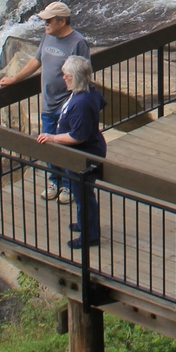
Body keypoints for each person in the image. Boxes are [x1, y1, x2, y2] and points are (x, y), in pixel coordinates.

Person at [0, 1, 89, 203]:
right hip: (48, 104)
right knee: (48, 144)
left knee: (65, 146)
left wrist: (76, 102)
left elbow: (83, 73)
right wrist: (14, 79)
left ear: (62, 21)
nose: (44, 24)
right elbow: (36, 61)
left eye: (48, 20)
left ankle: (68, 185)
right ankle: (54, 181)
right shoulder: (48, 37)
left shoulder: (78, 42)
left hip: (66, 106)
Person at [36, 55, 104, 248]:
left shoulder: (82, 102)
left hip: (83, 155)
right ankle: (84, 224)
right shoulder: (87, 91)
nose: (63, 77)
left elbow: (78, 137)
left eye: (66, 75)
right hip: (81, 153)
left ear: (76, 77)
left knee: (83, 195)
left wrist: (52, 138)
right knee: (81, 192)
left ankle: (90, 236)